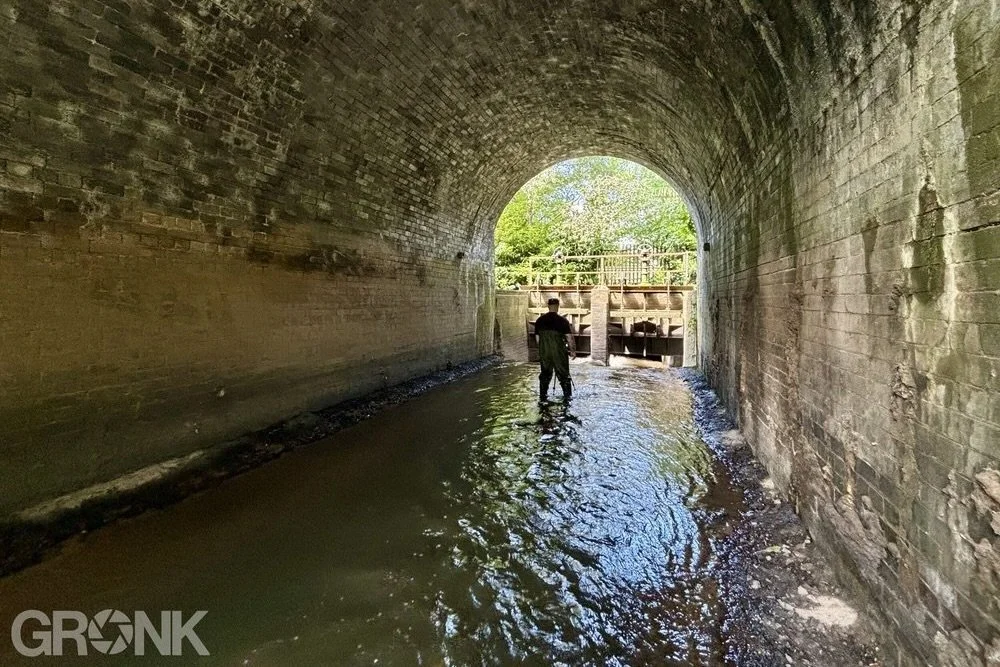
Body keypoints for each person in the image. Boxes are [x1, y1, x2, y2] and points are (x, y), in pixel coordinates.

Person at [534, 297, 576, 401]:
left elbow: (538, 340)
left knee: (545, 375)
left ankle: (543, 398)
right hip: (559, 352)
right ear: (558, 306)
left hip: (545, 352)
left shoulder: (539, 320)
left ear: (548, 306)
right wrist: (572, 351)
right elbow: (569, 338)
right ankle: (567, 399)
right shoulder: (562, 321)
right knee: (563, 376)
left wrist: (543, 351)